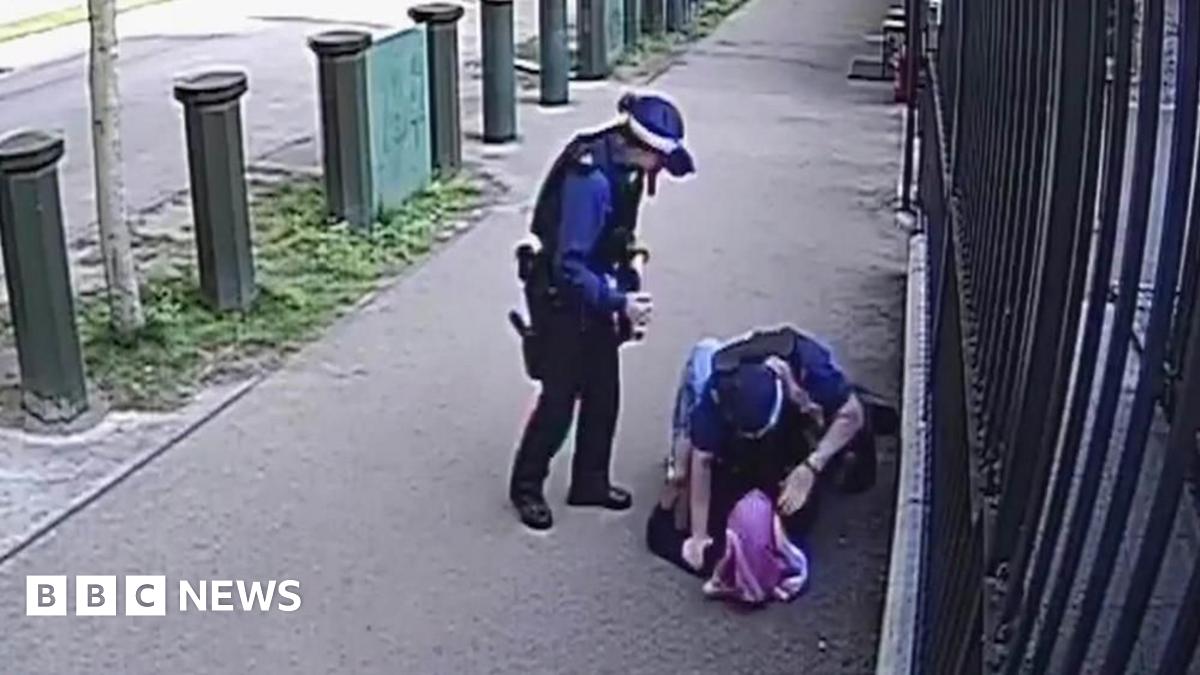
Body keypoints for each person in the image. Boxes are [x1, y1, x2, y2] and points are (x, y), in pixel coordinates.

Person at [507, 92, 696, 531]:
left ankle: (589, 481)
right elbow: (569, 265)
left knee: (603, 393)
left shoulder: (626, 168)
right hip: (561, 296)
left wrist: (632, 261)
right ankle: (527, 486)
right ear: (643, 148)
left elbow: (618, 231)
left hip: (595, 290)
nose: (660, 174)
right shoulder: (589, 181)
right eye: (660, 164)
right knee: (559, 399)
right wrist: (619, 302)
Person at [646, 325, 894, 576]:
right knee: (703, 354)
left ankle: (852, 396)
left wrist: (811, 467)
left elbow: (851, 416)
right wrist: (700, 535)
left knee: (839, 406)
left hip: (800, 374)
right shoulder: (719, 387)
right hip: (735, 367)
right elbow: (703, 459)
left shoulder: (809, 365)